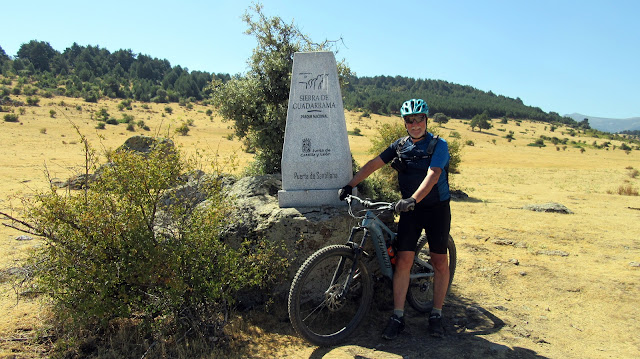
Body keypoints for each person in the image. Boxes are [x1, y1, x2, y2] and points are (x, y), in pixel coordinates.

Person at [338, 98, 451, 339]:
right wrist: (350, 185)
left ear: (426, 120)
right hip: (410, 210)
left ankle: (436, 314)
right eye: (410, 120)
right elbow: (373, 164)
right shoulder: (400, 146)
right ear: (405, 123)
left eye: (419, 119)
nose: (414, 124)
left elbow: (433, 175)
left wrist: (413, 199)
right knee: (403, 261)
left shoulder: (438, 145)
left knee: (440, 261)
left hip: (436, 209)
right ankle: (398, 316)